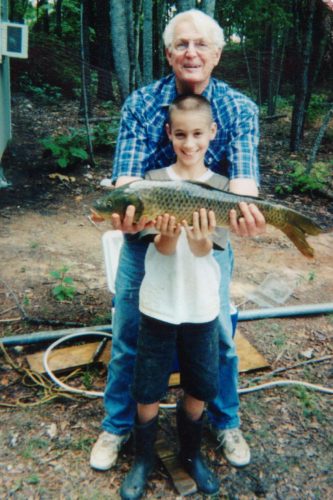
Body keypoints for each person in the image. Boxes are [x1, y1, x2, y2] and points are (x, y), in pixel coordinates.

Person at [90, 8, 266, 473]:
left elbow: (244, 184)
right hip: (148, 239)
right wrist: (127, 217)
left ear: (218, 54)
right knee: (129, 333)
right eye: (181, 44)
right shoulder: (142, 103)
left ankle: (225, 420)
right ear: (168, 54)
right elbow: (127, 179)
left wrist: (243, 217)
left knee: (221, 336)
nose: (191, 52)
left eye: (201, 44)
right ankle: (117, 425)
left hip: (209, 240)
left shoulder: (240, 108)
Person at [120, 94, 226, 499]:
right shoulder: (152, 182)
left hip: (201, 306)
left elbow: (204, 251)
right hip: (158, 303)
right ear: (169, 133)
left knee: (199, 386)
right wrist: (168, 232)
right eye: (180, 134)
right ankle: (143, 459)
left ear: (211, 133)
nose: (189, 142)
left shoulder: (220, 186)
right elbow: (161, 249)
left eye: (197, 133)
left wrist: (197, 237)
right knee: (147, 386)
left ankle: (190, 456)